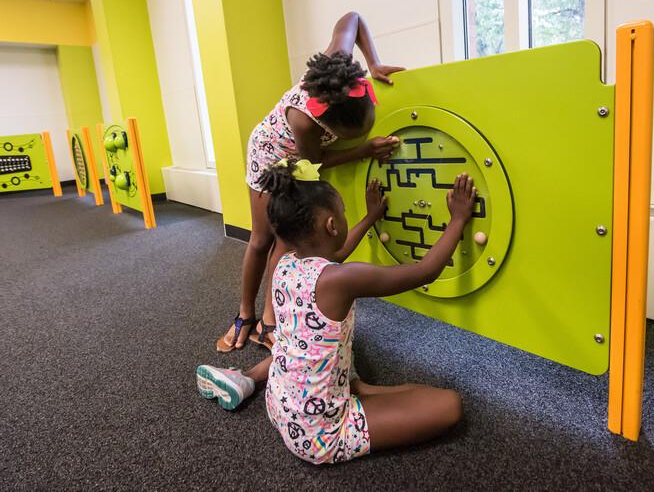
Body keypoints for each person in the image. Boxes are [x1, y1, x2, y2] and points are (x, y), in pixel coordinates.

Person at [197, 160, 475, 464]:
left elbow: (336, 252)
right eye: (343, 212)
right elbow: (425, 271)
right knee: (449, 405)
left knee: (299, 344)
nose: (344, 218)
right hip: (319, 434)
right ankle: (357, 393)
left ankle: (255, 379)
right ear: (332, 225)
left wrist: (371, 217)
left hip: (279, 404)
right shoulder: (340, 280)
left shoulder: (284, 264)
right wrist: (458, 219)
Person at [217, 12, 405, 352]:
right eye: (350, 134)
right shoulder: (304, 122)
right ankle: (245, 314)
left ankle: (268, 320)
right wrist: (363, 150)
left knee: (286, 240)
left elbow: (353, 18)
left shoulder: (339, 65)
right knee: (262, 239)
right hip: (272, 155)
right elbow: (315, 161)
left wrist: (373, 63)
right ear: (325, 125)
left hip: (301, 155)